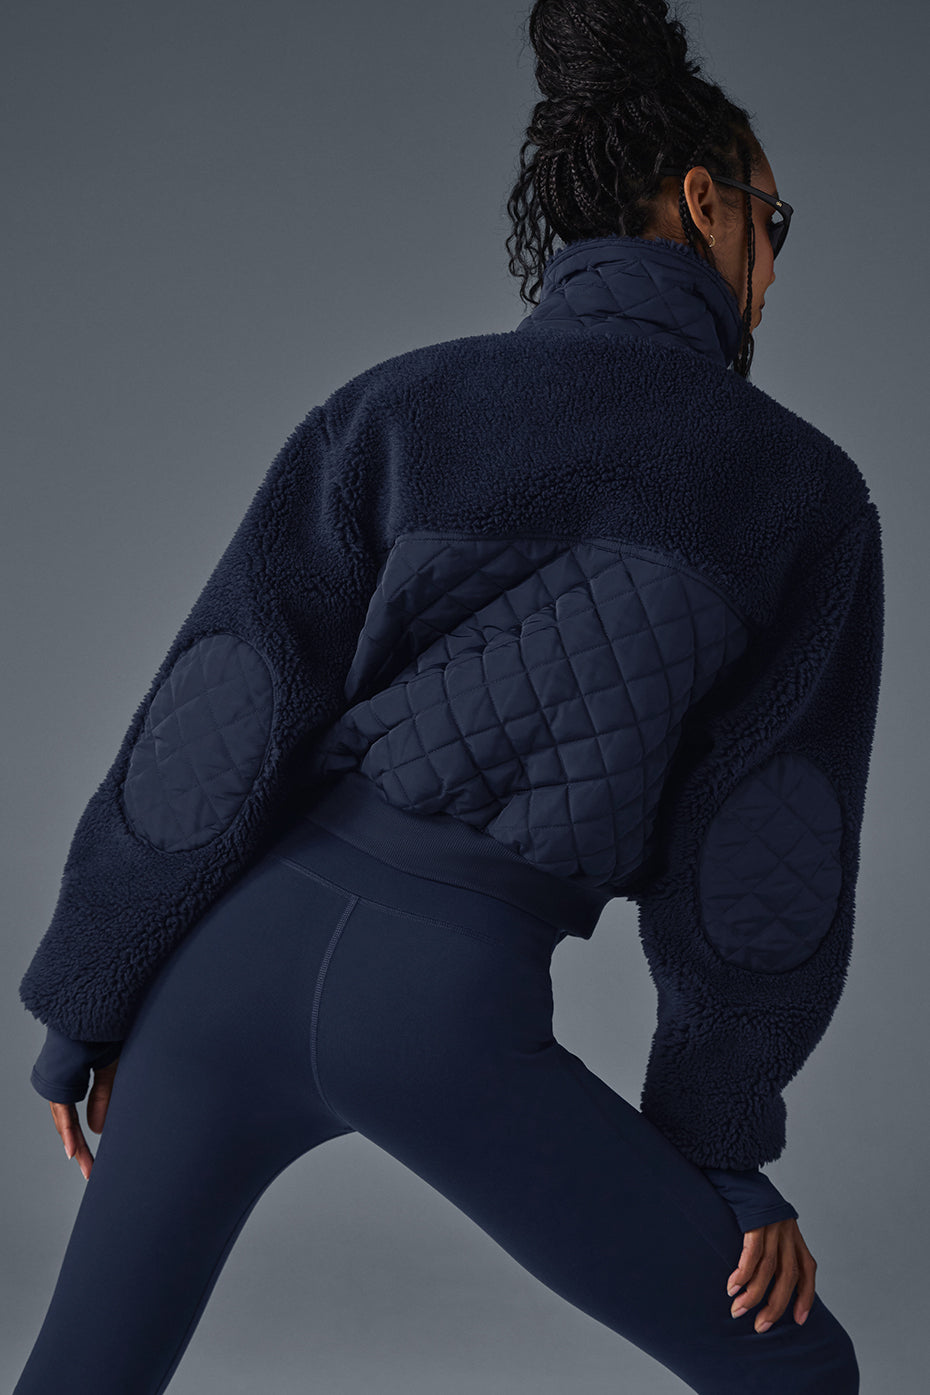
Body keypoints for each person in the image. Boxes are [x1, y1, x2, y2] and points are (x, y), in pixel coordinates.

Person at [14, 2, 882, 1391]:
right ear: (704, 202)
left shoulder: (399, 406)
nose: (772, 267)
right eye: (771, 223)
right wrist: (720, 1152)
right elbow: (764, 849)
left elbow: (222, 705)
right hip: (438, 1001)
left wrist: (94, 997)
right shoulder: (801, 495)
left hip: (217, 976)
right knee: (795, 1372)